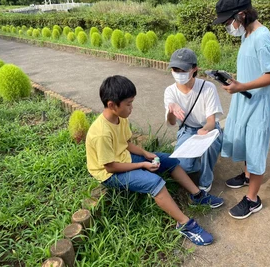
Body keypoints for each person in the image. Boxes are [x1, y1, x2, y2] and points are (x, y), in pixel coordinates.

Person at [85, 75, 224, 246]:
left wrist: (146, 153)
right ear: (112, 105)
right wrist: (142, 164)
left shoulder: (119, 118)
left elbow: (126, 144)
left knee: (168, 159)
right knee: (155, 182)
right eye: (128, 104)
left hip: (122, 157)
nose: (132, 107)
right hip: (108, 173)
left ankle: (197, 195)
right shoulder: (101, 133)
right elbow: (110, 167)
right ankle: (184, 224)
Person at [212, 0, 270, 219]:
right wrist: (236, 82)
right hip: (244, 99)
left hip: (257, 103)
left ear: (241, 14)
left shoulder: (262, 37)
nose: (227, 26)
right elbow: (253, 68)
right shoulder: (247, 34)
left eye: (228, 20)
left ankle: (253, 200)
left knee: (255, 147)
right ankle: (246, 174)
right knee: (242, 137)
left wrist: (241, 87)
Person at [164, 48, 224, 193]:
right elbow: (172, 123)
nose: (179, 73)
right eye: (175, 69)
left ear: (194, 69)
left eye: (183, 70)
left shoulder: (207, 88)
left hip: (207, 129)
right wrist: (171, 109)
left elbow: (211, 121)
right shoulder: (170, 91)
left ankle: (206, 180)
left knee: (209, 146)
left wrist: (204, 131)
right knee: (183, 167)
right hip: (187, 129)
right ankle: (199, 160)